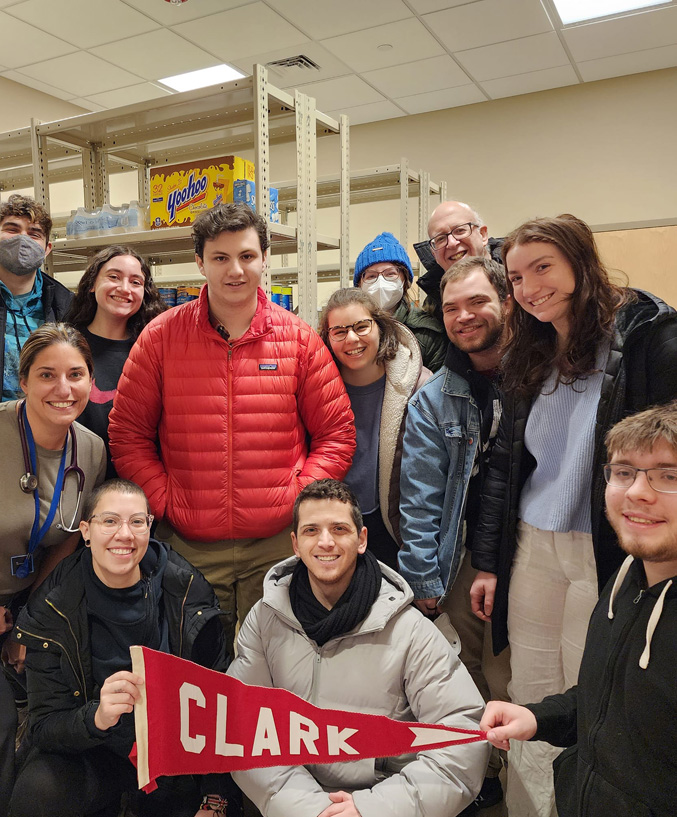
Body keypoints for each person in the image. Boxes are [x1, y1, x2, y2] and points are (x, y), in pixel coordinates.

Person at [470, 214, 677, 816]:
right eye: (516, 276)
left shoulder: (648, 339)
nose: (530, 287)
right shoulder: (527, 352)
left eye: (543, 268)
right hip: (533, 545)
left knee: (603, 699)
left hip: (609, 550)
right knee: (529, 701)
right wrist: (488, 561)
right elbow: (506, 470)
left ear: (580, 263)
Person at [108, 203, 355, 659]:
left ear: (265, 258)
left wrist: (297, 498)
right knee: (198, 667)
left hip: (278, 542)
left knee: (284, 666)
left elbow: (336, 432)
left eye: (246, 256)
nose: (235, 270)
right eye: (220, 258)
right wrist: (167, 502)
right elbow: (127, 433)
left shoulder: (298, 339)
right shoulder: (161, 338)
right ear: (199, 263)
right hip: (190, 544)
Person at [228, 479, 489, 817]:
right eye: (311, 531)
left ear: (362, 539)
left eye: (339, 529)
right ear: (295, 543)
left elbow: (462, 737)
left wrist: (368, 810)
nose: (325, 542)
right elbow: (244, 729)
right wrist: (311, 811)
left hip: (384, 802)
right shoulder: (265, 620)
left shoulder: (409, 629)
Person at [481, 402, 677, 817]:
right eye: (624, 472)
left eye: (668, 476)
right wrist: (538, 718)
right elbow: (607, 704)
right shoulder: (625, 581)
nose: (638, 491)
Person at [10, 478, 240, 817]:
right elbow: (44, 727)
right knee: (38, 791)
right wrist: (97, 717)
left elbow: (223, 704)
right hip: (93, 750)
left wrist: (216, 796)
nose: (125, 535)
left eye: (137, 522)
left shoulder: (187, 592)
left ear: (149, 527)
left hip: (172, 754)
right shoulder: (52, 608)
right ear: (85, 532)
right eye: (110, 521)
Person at [398, 256, 511, 812]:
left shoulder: (547, 377)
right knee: (466, 679)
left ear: (507, 302)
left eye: (477, 302)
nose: (464, 317)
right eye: (451, 308)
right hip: (462, 556)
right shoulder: (433, 399)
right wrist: (424, 580)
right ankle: (479, 781)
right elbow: (419, 498)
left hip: (535, 550)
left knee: (518, 677)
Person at [0, 323, 106, 815]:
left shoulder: (90, 449)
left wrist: (28, 620)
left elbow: (66, 543)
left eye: (76, 375)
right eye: (47, 375)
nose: (63, 390)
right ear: (22, 380)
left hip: (25, 602)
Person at [318, 288, 430, 571]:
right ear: (327, 338)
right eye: (339, 331)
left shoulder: (418, 386)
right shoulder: (316, 388)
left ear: (379, 326)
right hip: (333, 526)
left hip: (394, 528)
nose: (352, 339)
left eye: (361, 326)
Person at [66, 245, 167, 477]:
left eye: (136, 282)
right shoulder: (66, 345)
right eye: (113, 277)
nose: (124, 289)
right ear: (92, 284)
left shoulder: (153, 349)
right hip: (75, 481)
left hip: (137, 487)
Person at [0, 194, 72, 402]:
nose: (22, 239)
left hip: (47, 423)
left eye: (34, 234)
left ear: (47, 249)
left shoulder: (65, 305)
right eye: (12, 229)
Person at [353, 232, 447, 371]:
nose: (380, 282)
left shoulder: (427, 334)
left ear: (405, 281)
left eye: (390, 274)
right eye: (371, 276)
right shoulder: (348, 329)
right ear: (359, 284)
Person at [413, 201, 503, 320]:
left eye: (460, 231)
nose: (452, 243)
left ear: (483, 235)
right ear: (433, 253)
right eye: (440, 239)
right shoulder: (434, 305)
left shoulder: (517, 280)